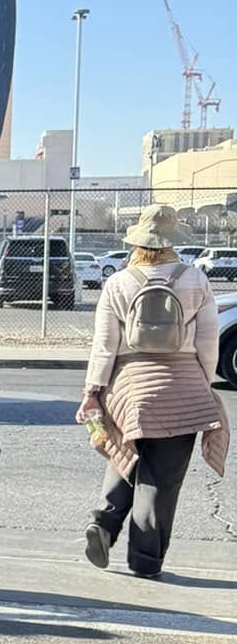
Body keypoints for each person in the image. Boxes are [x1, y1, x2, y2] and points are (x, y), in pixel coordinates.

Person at [79, 205, 226, 577]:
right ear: (172, 240)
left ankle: (104, 523)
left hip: (129, 386)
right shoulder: (196, 279)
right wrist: (201, 384)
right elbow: (209, 343)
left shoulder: (120, 282)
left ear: (137, 241)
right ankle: (145, 561)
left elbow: (104, 345)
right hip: (183, 386)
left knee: (122, 452)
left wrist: (94, 388)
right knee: (162, 480)